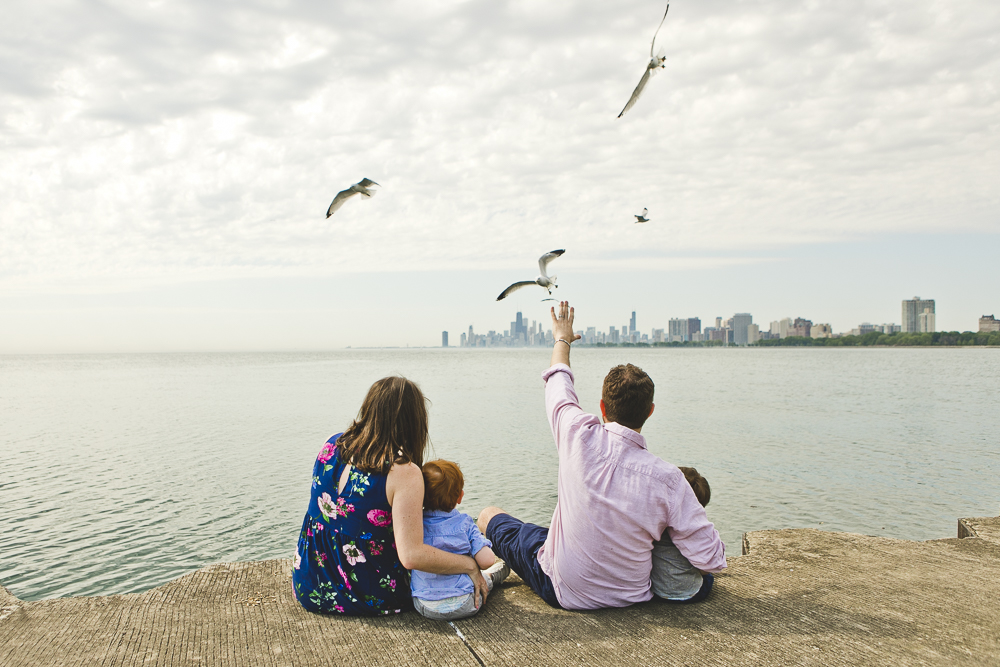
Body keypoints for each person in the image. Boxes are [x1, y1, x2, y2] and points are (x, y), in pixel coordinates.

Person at [478, 301, 726, 610]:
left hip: (562, 590)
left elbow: (558, 380)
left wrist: (562, 338)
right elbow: (711, 559)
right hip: (630, 598)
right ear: (649, 412)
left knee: (489, 515)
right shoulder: (669, 480)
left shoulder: (575, 433)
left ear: (603, 408)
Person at [292, 376, 489, 616]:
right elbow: (412, 556)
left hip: (310, 584)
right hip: (366, 593)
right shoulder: (403, 472)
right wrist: (469, 565)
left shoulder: (331, 443)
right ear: (413, 422)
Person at [410, 460, 511, 620]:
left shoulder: (415, 524)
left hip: (424, 605)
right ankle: (492, 577)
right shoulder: (464, 523)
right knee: (483, 578)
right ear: (460, 496)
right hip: (466, 603)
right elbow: (487, 560)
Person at [651, 466, 715, 603]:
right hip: (688, 594)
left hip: (655, 590)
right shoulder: (692, 531)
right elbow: (704, 567)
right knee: (709, 577)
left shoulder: (655, 524)